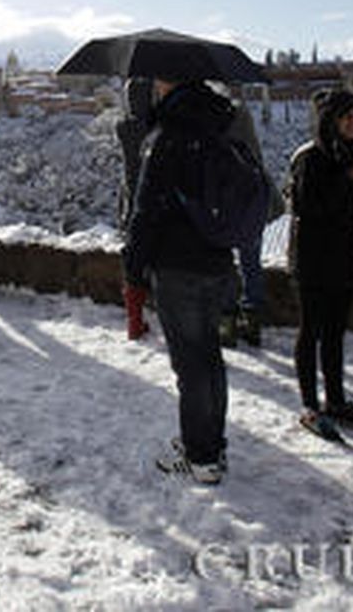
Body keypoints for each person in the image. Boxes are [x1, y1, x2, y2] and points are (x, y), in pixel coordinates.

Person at [124, 76, 241, 485]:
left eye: (158, 80)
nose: (153, 87)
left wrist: (133, 269)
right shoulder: (217, 128)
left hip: (176, 264)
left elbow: (146, 210)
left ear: (168, 84)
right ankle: (212, 442)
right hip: (217, 260)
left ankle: (201, 457)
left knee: (189, 365)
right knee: (209, 356)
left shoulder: (168, 138)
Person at [287, 89, 353, 441]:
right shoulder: (310, 157)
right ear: (330, 120)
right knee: (311, 330)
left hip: (345, 256)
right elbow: (308, 208)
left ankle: (337, 399)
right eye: (346, 117)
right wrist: (349, 180)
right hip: (314, 259)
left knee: (334, 334)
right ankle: (310, 405)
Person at [221, 91, 280, 349]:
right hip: (252, 203)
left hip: (225, 203)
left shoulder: (217, 126)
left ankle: (227, 323)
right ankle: (252, 322)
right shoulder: (243, 120)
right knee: (251, 263)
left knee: (224, 264)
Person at [116, 78, 154, 340]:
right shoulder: (157, 127)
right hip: (155, 201)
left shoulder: (124, 127)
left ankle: (134, 321)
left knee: (133, 265)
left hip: (132, 202)